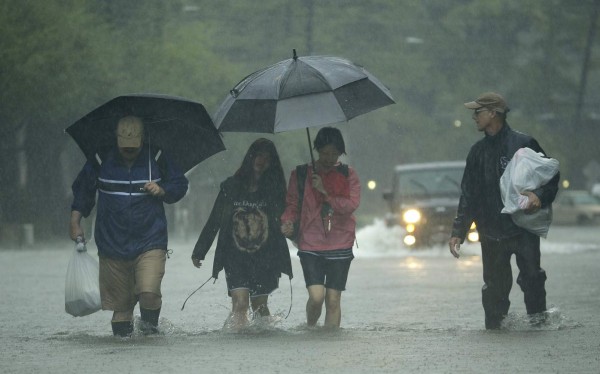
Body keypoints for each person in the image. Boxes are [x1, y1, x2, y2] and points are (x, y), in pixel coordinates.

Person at [448, 92, 559, 329]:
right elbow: (469, 194)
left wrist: (539, 196)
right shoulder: (477, 152)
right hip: (490, 232)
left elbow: (551, 177)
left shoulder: (523, 144)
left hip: (522, 229)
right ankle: (495, 331)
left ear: (493, 113)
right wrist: (458, 231)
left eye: (477, 112)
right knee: (494, 288)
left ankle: (539, 327)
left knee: (532, 279)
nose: (474, 117)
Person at [70, 116, 189, 337]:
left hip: (150, 240)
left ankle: (149, 334)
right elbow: (83, 191)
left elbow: (180, 184)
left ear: (143, 140)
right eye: (124, 147)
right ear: (115, 140)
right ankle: (124, 347)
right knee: (121, 309)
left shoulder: (158, 155)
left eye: (134, 148)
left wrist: (162, 190)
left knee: (149, 292)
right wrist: (75, 221)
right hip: (111, 244)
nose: (129, 151)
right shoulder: (100, 158)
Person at [191, 138, 293, 329]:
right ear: (250, 157)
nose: (261, 160)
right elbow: (215, 219)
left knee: (260, 306)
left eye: (267, 157)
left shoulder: (274, 189)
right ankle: (238, 345)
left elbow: (284, 216)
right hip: (234, 255)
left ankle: (262, 345)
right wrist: (200, 251)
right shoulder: (231, 187)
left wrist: (290, 228)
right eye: (258, 155)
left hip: (265, 256)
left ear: (272, 163)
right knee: (240, 304)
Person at [281, 127, 361, 329]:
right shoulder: (300, 174)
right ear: (317, 150)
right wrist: (287, 222)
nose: (329, 158)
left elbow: (350, 205)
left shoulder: (348, 174)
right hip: (310, 243)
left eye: (334, 154)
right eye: (325, 153)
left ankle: (330, 343)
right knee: (317, 297)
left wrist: (325, 192)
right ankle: (310, 329)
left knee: (333, 300)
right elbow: (292, 204)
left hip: (340, 242)